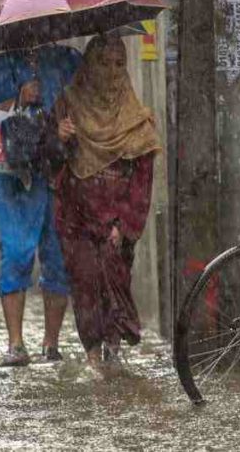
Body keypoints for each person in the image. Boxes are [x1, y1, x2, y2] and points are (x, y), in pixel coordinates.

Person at [53, 34, 161, 369]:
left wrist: (124, 225)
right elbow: (51, 163)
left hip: (116, 220)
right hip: (77, 216)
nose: (111, 72)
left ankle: (113, 353)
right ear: (88, 66)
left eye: (118, 64)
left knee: (114, 286)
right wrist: (60, 137)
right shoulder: (67, 105)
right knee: (85, 284)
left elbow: (143, 179)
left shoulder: (136, 119)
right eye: (102, 63)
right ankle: (92, 358)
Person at [0, 44, 82, 366]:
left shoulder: (67, 60)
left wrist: (64, 124)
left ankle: (51, 344)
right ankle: (16, 344)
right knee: (17, 254)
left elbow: (86, 103)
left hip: (57, 175)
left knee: (58, 258)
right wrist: (16, 101)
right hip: (14, 179)